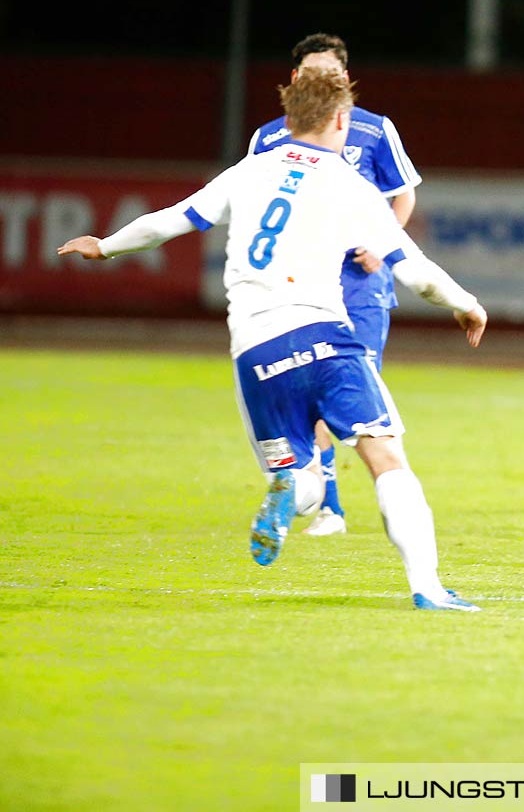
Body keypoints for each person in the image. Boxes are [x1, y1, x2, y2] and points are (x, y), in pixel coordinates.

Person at [58, 68, 487, 611]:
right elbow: (415, 271)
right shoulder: (350, 185)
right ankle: (428, 588)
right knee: (386, 458)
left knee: (299, 473)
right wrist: (467, 305)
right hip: (325, 337)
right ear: (340, 120)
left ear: (286, 119)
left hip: (255, 350)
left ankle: (291, 493)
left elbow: (172, 221)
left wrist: (106, 245)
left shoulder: (250, 171)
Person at [248, 33, 422, 536]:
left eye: (330, 73)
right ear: (295, 80)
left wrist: (380, 242)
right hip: (299, 286)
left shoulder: (372, 130)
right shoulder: (269, 139)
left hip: (361, 286)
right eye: (310, 74)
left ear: (345, 78)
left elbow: (401, 194)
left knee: (350, 393)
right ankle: (327, 506)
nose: (321, 81)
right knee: (305, 394)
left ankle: (316, 497)